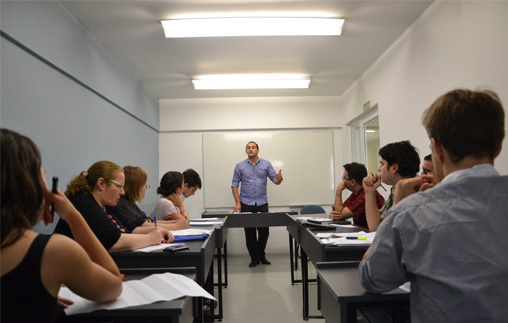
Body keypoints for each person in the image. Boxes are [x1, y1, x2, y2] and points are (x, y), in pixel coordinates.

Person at [359, 89, 508, 322]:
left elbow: (372, 278)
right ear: (498, 148)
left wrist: (399, 206)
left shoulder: (411, 213)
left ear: (437, 149)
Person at [0, 129, 122, 322]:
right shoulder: (53, 251)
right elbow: (113, 285)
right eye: (42, 175)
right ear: (28, 185)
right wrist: (72, 215)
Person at [54, 161, 173, 252]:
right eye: (119, 186)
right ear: (101, 184)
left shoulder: (108, 204)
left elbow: (133, 230)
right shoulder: (85, 204)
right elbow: (115, 242)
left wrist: (158, 230)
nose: (122, 192)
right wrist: (151, 238)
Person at [231, 141, 283, 267]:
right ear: (246, 151)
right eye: (248, 148)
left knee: (264, 231)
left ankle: (261, 255)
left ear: (258, 150)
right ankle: (254, 258)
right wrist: (238, 203)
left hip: (262, 203)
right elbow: (234, 184)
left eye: (253, 147)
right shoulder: (240, 166)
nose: (250, 149)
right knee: (249, 232)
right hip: (246, 203)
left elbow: (275, 181)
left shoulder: (266, 164)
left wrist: (279, 179)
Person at [362, 140, 420, 231]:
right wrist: (369, 191)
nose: (379, 169)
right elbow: (375, 227)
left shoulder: (415, 190)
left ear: (394, 168)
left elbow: (388, 230)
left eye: (382, 164)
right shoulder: (396, 189)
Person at [114, 166, 187, 232]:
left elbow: (147, 221)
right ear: (135, 188)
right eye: (144, 185)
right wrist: (176, 225)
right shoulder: (122, 204)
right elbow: (143, 224)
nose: (146, 187)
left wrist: (174, 222)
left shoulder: (130, 204)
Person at [330, 162, 385, 230]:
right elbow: (339, 212)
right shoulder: (355, 194)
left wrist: (339, 191)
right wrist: (333, 214)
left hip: (370, 236)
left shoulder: (365, 196)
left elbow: (340, 215)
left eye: (344, 178)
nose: (342, 180)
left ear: (353, 182)